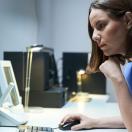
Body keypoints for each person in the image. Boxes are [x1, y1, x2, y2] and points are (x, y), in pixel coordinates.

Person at [60, 0, 132, 131]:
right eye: (93, 29)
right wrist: (93, 122)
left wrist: (118, 79)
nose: (94, 36)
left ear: (128, 20)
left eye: (101, 25)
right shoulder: (130, 65)